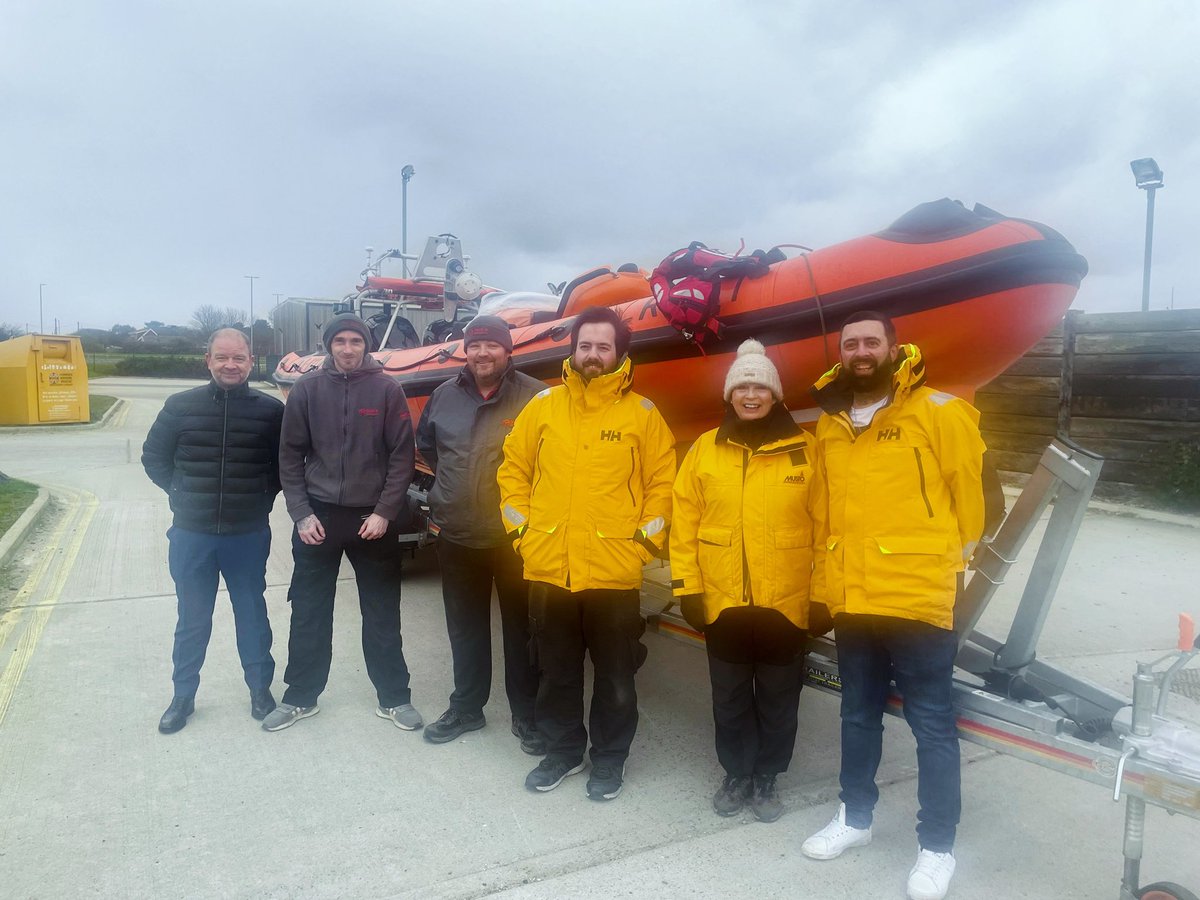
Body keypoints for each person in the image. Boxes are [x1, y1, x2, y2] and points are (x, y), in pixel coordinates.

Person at [800, 311, 986, 900]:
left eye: (869, 342)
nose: (860, 351)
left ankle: (937, 847)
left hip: (916, 596)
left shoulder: (938, 412)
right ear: (841, 351)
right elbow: (822, 512)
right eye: (850, 342)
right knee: (856, 715)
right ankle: (855, 818)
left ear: (893, 348)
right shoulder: (829, 425)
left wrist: (949, 570)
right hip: (853, 597)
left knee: (932, 723)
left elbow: (973, 501)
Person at [497, 305, 676, 801]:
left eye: (603, 346)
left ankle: (610, 759)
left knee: (616, 676)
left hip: (614, 572)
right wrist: (523, 535)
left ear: (619, 353)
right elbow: (513, 471)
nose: (592, 355)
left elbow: (663, 485)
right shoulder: (544, 406)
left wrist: (641, 544)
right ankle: (563, 751)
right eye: (585, 345)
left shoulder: (642, 415)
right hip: (549, 566)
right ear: (572, 350)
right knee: (556, 671)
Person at [670, 339, 820, 823]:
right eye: (742, 387)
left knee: (779, 702)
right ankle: (736, 773)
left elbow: (830, 528)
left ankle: (768, 777)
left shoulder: (807, 451)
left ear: (776, 395)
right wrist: (687, 588)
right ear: (729, 395)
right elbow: (684, 526)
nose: (751, 395)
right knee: (730, 700)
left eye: (760, 386)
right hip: (723, 603)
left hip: (787, 604)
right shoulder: (703, 453)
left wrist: (824, 597)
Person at [263, 313, 422, 733]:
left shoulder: (387, 390)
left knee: (382, 612)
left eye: (355, 341)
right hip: (319, 518)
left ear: (366, 345)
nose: (348, 349)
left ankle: (394, 697)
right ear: (328, 346)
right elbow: (289, 456)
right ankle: (300, 696)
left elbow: (402, 457)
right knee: (310, 612)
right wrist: (300, 513)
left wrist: (385, 512)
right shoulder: (306, 391)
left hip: (372, 521)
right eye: (340, 341)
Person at [141, 327, 283, 734]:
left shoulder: (271, 412)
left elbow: (283, 468)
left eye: (238, 358)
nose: (230, 364)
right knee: (192, 618)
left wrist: (260, 496)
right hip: (192, 534)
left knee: (252, 614)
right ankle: (182, 696)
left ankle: (260, 690)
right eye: (222, 357)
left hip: (247, 534)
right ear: (208, 361)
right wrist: (179, 491)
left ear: (250, 362)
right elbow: (154, 457)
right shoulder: (180, 406)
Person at [415, 315, 545, 752]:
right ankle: (467, 707)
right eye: (475, 346)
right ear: (465, 351)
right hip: (458, 533)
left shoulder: (536, 397)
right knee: (465, 628)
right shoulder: (443, 396)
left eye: (492, 346)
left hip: (516, 539)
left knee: (523, 630)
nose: (482, 353)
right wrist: (450, 491)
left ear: (509, 351)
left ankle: (527, 714)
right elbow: (429, 448)